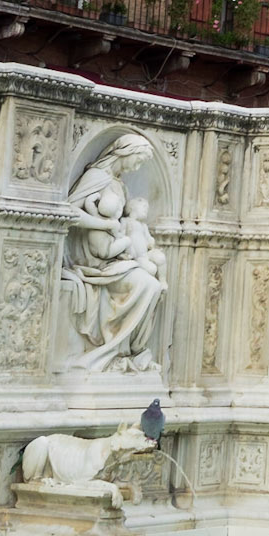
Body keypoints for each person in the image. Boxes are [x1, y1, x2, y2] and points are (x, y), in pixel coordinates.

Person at [62, 132, 166, 373]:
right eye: (138, 160)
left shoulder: (119, 185)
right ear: (125, 152)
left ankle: (127, 351)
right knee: (148, 285)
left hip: (116, 256)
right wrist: (104, 225)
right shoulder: (96, 177)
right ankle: (112, 352)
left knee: (153, 285)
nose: (137, 167)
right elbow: (71, 212)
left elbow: (124, 224)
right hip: (94, 258)